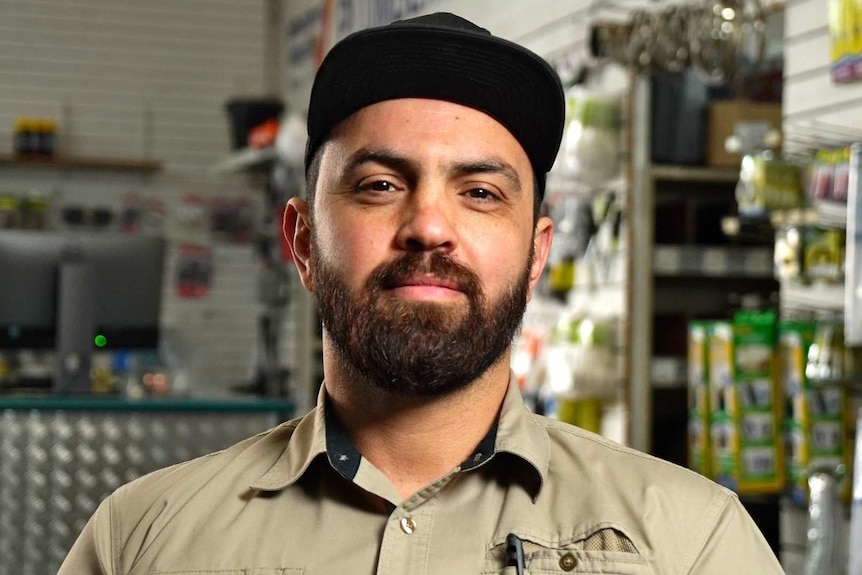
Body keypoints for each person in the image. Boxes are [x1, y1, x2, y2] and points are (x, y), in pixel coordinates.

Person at [60, 12, 785, 575]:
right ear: (303, 241)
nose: (430, 225)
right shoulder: (143, 539)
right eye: (380, 185)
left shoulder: (693, 543)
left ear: (537, 255)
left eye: (479, 192)